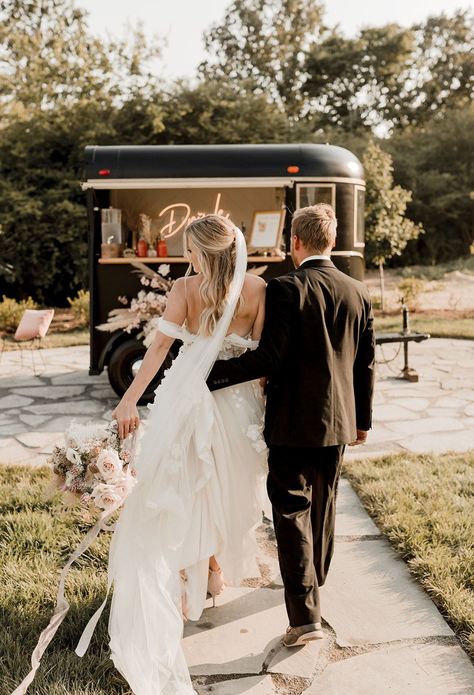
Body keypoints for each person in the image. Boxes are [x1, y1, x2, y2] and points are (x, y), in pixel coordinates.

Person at [88, 215, 268, 695]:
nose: (185, 258)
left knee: (186, 483)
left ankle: (207, 566)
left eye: (189, 250)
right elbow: (265, 357)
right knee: (225, 483)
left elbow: (160, 348)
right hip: (240, 398)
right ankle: (213, 568)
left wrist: (130, 398)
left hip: (189, 394)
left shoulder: (186, 289)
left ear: (202, 253)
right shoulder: (257, 288)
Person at [207, 203, 375, 647]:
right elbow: (365, 365)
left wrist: (207, 377)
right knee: (325, 502)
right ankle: (315, 578)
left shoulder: (285, 288)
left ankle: (304, 616)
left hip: (292, 421)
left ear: (295, 243)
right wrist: (362, 422)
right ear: (332, 241)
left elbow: (268, 358)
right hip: (339, 421)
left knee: (290, 509)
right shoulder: (358, 292)